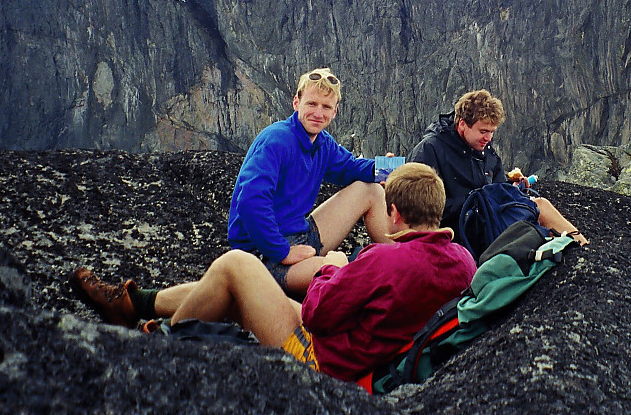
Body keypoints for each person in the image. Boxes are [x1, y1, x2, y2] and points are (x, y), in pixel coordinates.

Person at [72, 67, 392, 326]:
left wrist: (397, 168)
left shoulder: (323, 144)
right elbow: (251, 202)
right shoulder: (277, 141)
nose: (318, 113)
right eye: (311, 104)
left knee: (370, 189)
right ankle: (157, 322)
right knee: (341, 274)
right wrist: (281, 251)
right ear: (296, 103)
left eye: (326, 107)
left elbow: (353, 169)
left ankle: (400, 255)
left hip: (299, 233)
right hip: (262, 251)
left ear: (335, 111)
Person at [164, 162, 476, 381]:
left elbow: (316, 313)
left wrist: (330, 268)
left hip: (323, 365)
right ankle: (150, 314)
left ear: (393, 213)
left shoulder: (384, 260)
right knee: (253, 297)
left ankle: (155, 350)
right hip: (372, 352)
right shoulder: (463, 261)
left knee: (236, 265)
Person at [407, 89, 588, 246]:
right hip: (462, 231)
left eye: (492, 131)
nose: (489, 138)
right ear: (462, 124)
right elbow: (414, 202)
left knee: (536, 209)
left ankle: (579, 249)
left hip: (487, 221)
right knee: (539, 207)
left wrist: (513, 188)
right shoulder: (430, 149)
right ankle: (582, 249)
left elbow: (498, 186)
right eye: (483, 131)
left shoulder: (486, 153)